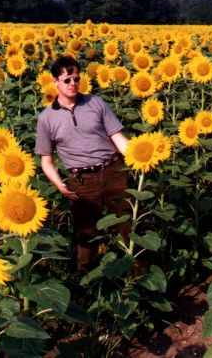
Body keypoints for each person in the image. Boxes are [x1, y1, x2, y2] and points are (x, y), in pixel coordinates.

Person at [35, 56, 131, 274]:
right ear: (55, 82)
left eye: (76, 78)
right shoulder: (46, 118)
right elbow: (46, 160)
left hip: (114, 172)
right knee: (86, 235)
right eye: (67, 79)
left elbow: (117, 137)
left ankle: (137, 280)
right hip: (81, 181)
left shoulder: (95, 103)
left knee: (128, 227)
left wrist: (140, 157)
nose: (73, 83)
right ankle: (86, 282)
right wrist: (60, 185)